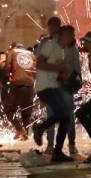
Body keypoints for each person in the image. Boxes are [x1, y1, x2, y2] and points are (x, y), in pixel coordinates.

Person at [32, 25, 74, 163]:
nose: (72, 38)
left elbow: (56, 70)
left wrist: (64, 74)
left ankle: (57, 152)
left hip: (54, 86)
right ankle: (40, 128)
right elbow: (39, 64)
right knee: (63, 113)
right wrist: (58, 68)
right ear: (63, 35)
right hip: (45, 87)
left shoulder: (61, 51)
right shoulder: (50, 45)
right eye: (70, 35)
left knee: (66, 117)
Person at [4, 44, 36, 140]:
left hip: (18, 83)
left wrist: (7, 76)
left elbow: (7, 67)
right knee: (26, 110)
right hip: (30, 84)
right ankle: (25, 133)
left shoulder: (12, 52)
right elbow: (36, 69)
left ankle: (19, 129)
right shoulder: (31, 53)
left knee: (8, 109)